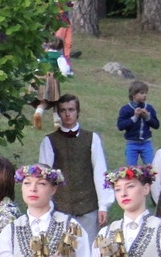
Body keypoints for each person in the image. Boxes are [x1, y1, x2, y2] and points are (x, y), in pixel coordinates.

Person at [37, 94, 113, 241]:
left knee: (90, 253)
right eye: (63, 110)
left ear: (78, 111)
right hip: (60, 208)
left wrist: (103, 205)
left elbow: (100, 171)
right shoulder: (49, 141)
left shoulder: (91, 138)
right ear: (58, 113)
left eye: (71, 109)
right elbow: (43, 177)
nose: (67, 114)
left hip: (88, 206)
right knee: (60, 255)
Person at [32, 37, 73, 129]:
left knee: (44, 100)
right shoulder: (59, 56)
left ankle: (38, 113)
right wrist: (65, 75)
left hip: (39, 77)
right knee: (56, 100)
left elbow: (36, 68)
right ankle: (57, 123)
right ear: (60, 47)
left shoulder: (42, 55)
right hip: (51, 79)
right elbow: (64, 70)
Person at [116, 80, 160, 166]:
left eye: (146, 93)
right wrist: (134, 118)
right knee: (131, 169)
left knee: (151, 167)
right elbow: (120, 126)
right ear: (133, 95)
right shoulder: (126, 109)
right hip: (132, 144)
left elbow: (156, 125)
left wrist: (147, 117)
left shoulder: (149, 108)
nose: (145, 95)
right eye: (142, 93)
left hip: (146, 143)